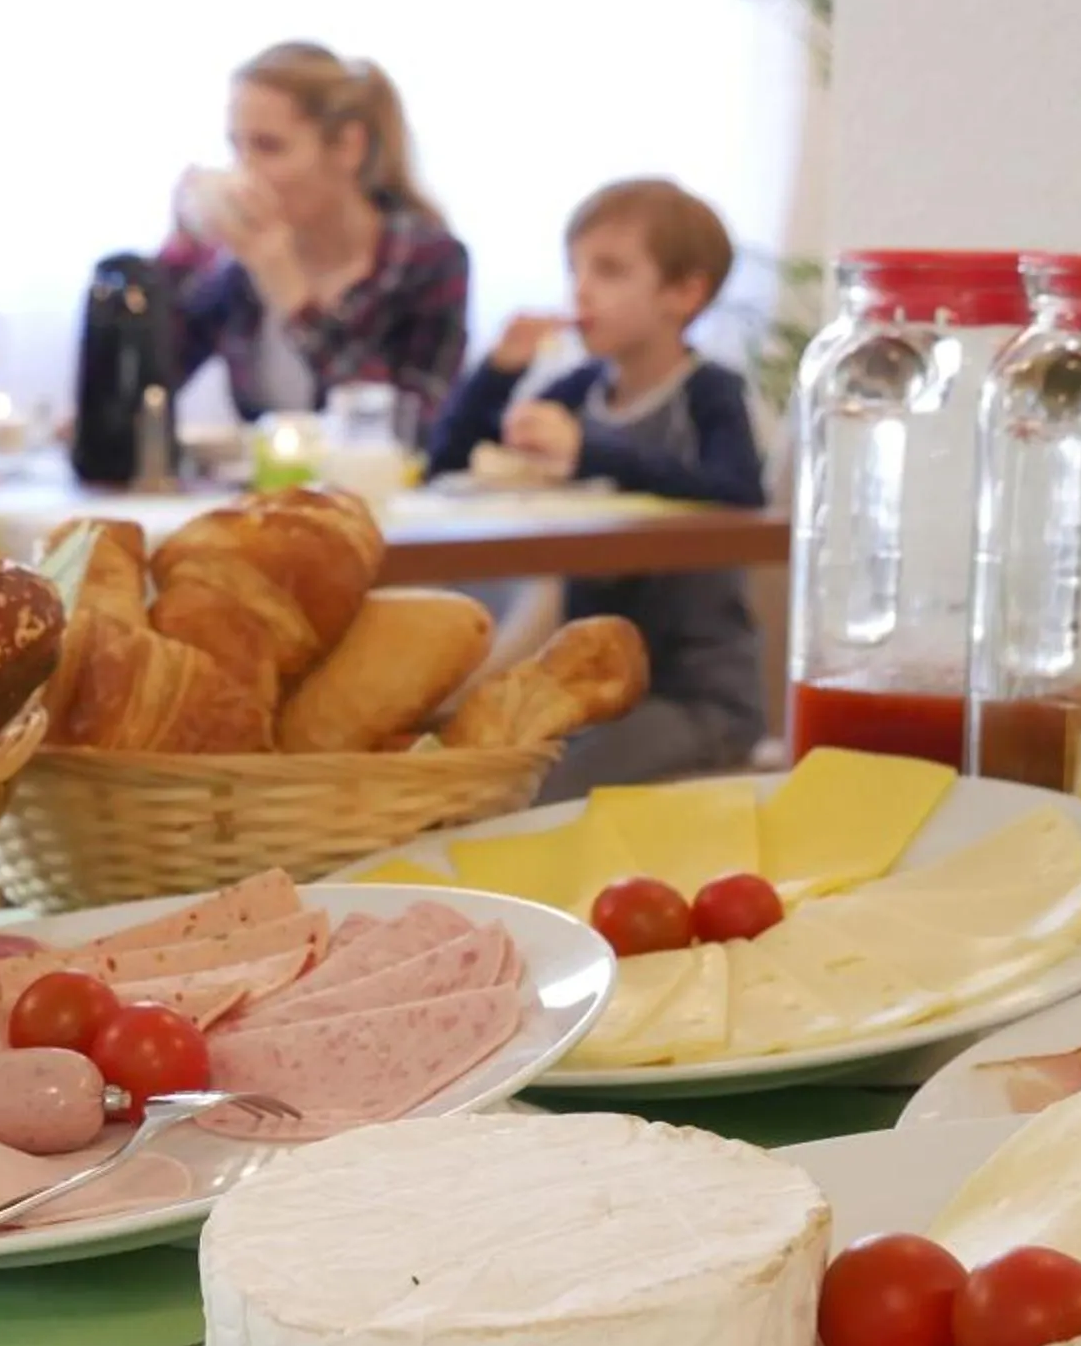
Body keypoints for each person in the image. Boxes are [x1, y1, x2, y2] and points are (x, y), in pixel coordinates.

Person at [426, 178, 766, 793]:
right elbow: (447, 462)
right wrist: (499, 374)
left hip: (693, 697)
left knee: (531, 787)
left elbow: (738, 490)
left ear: (684, 293)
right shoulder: (581, 389)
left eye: (609, 270)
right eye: (575, 268)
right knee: (474, 765)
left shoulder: (709, 394)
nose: (580, 290)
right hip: (590, 693)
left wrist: (591, 451)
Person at [157, 42, 471, 426]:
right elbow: (147, 385)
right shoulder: (236, 269)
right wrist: (180, 252)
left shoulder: (427, 260)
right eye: (237, 147)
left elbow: (412, 429)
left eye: (269, 147)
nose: (245, 173)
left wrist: (296, 301)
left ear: (347, 147)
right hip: (270, 487)